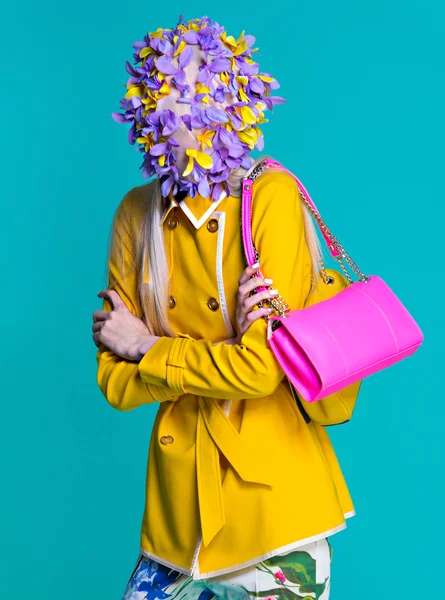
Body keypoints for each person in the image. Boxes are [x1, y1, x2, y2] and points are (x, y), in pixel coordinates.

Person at [92, 15, 362, 600]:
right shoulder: (135, 217)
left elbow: (263, 370)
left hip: (278, 516)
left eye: (205, 105)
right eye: (171, 105)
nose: (188, 122)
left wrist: (147, 346)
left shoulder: (270, 198)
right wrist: (226, 351)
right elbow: (114, 384)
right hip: (175, 520)